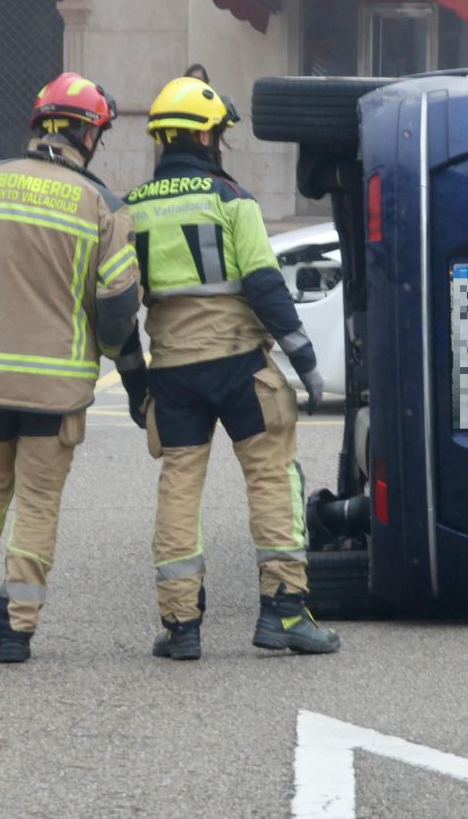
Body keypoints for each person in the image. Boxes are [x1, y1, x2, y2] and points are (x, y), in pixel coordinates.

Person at [0, 74, 142, 662]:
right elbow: (119, 304)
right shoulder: (103, 206)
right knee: (38, 504)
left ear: (39, 123)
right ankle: (15, 631)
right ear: (88, 133)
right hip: (56, 390)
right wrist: (118, 356)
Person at [126, 76, 339, 661]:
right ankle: (286, 613)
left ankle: (180, 625)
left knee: (179, 487)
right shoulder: (231, 198)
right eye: (219, 132)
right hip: (241, 366)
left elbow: (120, 298)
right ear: (206, 136)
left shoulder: (133, 209)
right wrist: (305, 359)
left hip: (172, 371)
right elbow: (266, 284)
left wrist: (133, 379)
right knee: (272, 478)